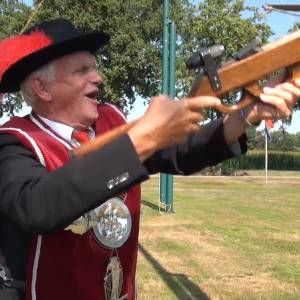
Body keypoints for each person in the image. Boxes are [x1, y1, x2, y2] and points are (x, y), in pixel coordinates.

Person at [0, 18, 299, 300]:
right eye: (82, 71)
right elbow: (36, 205)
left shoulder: (112, 119)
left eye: (94, 67)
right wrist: (145, 138)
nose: (98, 77)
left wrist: (247, 114)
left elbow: (179, 150)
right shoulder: (13, 140)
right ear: (42, 87)